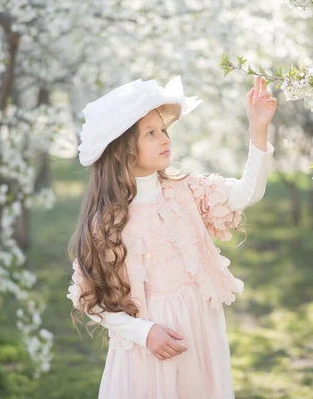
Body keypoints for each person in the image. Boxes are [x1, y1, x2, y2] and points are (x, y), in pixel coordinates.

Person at [67, 74, 277, 398]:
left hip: (199, 335)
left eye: (163, 130)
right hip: (149, 350)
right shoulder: (107, 223)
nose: (164, 138)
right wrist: (144, 332)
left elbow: (246, 193)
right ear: (123, 149)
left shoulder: (186, 191)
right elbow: (93, 302)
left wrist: (259, 129)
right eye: (150, 133)